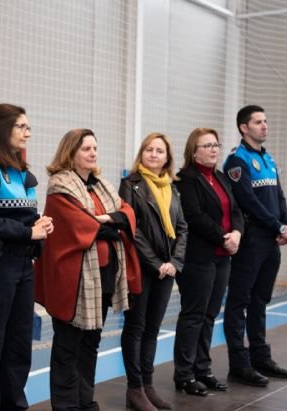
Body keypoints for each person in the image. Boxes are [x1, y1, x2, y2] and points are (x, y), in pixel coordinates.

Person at [34, 129, 142, 411]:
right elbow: (81, 226)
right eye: (86, 149)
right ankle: (66, 406)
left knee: (91, 343)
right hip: (74, 280)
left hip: (104, 278)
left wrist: (107, 220)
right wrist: (111, 225)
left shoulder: (102, 185)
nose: (93, 153)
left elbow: (128, 213)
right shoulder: (60, 187)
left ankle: (86, 402)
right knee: (67, 347)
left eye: (95, 148)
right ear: (71, 152)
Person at [0, 103, 54, 410]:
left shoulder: (21, 172)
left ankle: (14, 405)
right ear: (3, 129)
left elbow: (23, 216)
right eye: (22, 127)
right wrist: (29, 232)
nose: (28, 133)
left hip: (22, 265)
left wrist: (39, 224)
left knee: (18, 347)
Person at [223, 105, 287, 387]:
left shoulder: (269, 159)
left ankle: (260, 357)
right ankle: (239, 365)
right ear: (244, 127)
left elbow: (278, 194)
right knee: (239, 302)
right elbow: (248, 203)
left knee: (260, 301)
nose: (265, 126)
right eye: (258, 122)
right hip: (251, 241)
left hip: (271, 241)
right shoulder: (236, 162)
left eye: (266, 121)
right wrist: (277, 227)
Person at [172, 128, 244, 396]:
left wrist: (236, 233)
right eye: (207, 145)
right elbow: (194, 216)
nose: (214, 149)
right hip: (198, 258)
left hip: (222, 258)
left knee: (210, 315)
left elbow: (236, 211)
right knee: (193, 315)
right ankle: (184, 374)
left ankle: (203, 369)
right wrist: (224, 237)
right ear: (194, 151)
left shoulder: (222, 178)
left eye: (216, 144)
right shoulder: (185, 180)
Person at [119, 132, 188, 411]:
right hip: (142, 267)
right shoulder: (130, 185)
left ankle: (147, 385)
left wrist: (175, 263)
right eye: (149, 149)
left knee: (152, 329)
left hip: (167, 269)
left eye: (159, 151)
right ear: (142, 154)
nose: (154, 154)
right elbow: (131, 229)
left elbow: (182, 228)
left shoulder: (173, 188)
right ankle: (134, 389)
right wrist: (156, 263)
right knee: (135, 328)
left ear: (167, 158)